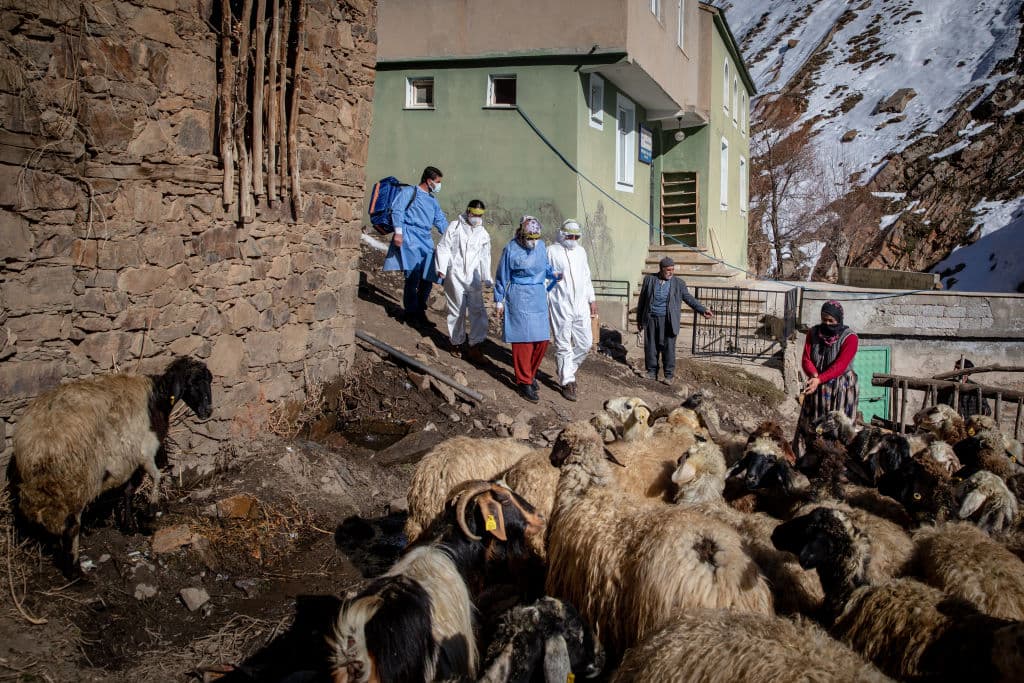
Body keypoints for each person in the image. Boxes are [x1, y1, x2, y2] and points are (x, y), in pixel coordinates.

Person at [494, 216, 561, 403]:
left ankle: (530, 374)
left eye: (536, 238)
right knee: (523, 341)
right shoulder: (511, 249)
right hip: (519, 296)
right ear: (522, 235)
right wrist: (499, 300)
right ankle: (523, 381)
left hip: (538, 296)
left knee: (542, 340)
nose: (533, 242)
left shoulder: (540, 247)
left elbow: (544, 265)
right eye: (529, 238)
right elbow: (502, 275)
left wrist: (552, 272)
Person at [383, 166, 447, 326]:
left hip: (426, 240)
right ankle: (411, 312)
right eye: (438, 182)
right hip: (410, 237)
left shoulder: (433, 201)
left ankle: (420, 308)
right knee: (412, 276)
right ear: (429, 180)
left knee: (428, 277)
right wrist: (398, 232)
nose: (439, 185)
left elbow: (440, 220)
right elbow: (397, 211)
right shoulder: (409, 193)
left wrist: (451, 235)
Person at [636, 256, 714, 384]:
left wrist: (702, 309)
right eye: (668, 270)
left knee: (668, 347)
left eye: (672, 269)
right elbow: (642, 301)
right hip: (651, 319)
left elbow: (688, 298)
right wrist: (639, 319)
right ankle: (651, 372)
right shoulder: (649, 280)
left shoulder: (678, 283)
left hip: (668, 320)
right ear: (661, 269)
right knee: (651, 346)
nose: (671, 272)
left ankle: (668, 376)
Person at [434, 199, 492, 361]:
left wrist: (486, 276)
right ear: (468, 212)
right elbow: (444, 246)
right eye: (475, 214)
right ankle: (456, 342)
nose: (477, 217)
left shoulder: (483, 234)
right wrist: (442, 268)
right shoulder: (455, 227)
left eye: (480, 215)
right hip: (456, 275)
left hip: (473, 278)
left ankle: (475, 345)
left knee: (478, 311)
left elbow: (484, 257)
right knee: (457, 310)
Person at [546, 219, 596, 402]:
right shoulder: (551, 251)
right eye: (569, 236)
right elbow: (545, 277)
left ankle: (566, 368)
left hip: (580, 304)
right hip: (560, 303)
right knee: (563, 343)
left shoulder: (581, 252)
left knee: (585, 343)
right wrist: (546, 299)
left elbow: (587, 276)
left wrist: (592, 299)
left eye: (576, 236)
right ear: (562, 234)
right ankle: (567, 381)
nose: (573, 239)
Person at [799, 300, 860, 437]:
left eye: (831, 320)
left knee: (838, 428)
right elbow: (806, 358)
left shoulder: (850, 338)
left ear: (838, 319)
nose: (826, 323)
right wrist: (814, 375)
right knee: (813, 426)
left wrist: (819, 379)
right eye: (824, 319)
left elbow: (840, 365)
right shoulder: (813, 333)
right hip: (816, 386)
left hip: (841, 388)